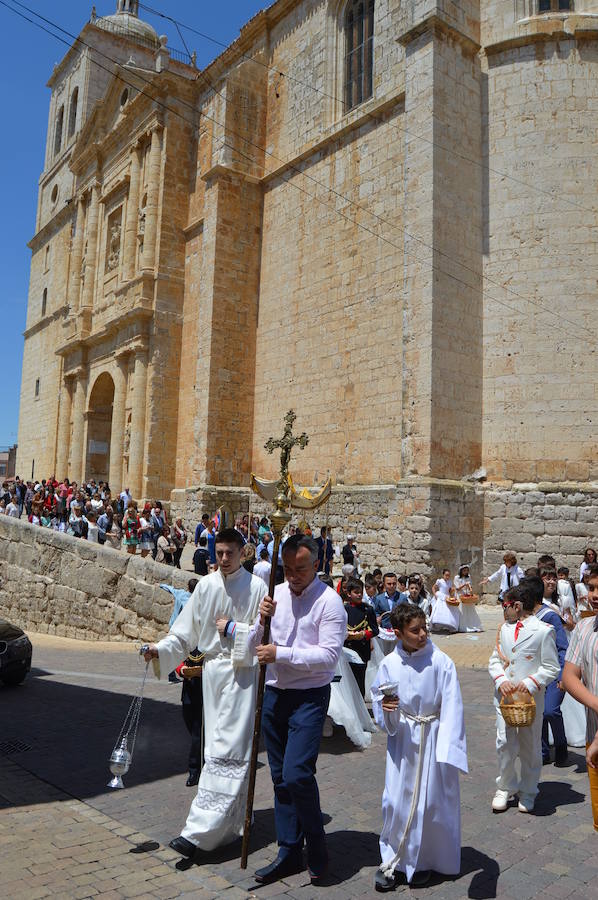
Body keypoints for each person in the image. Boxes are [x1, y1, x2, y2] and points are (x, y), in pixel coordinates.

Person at [143, 529, 268, 858]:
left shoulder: (258, 588)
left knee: (230, 752)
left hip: (243, 677)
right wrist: (160, 649)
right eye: (220, 552)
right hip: (213, 676)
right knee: (213, 748)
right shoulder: (207, 587)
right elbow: (184, 634)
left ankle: (199, 832)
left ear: (243, 552)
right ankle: (234, 822)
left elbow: (265, 635)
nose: (224, 559)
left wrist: (233, 629)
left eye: (230, 552)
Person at [248, 534, 347, 885]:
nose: (293, 576)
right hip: (275, 694)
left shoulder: (330, 603)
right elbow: (253, 647)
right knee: (279, 778)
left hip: (309, 696)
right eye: (288, 569)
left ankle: (316, 846)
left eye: (300, 569)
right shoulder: (274, 594)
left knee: (297, 774)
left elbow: (328, 657)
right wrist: (261, 622)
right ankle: (289, 850)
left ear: (317, 565)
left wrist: (282, 654)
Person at [371, 604, 467, 892]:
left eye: (424, 627)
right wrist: (386, 708)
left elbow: (453, 705)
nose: (423, 634)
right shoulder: (389, 663)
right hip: (402, 742)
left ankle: (425, 861)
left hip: (432, 738)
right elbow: (379, 698)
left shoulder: (441, 661)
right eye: (415, 631)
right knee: (395, 801)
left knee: (429, 804)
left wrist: (448, 751)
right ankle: (395, 859)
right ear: (399, 633)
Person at [488, 583, 560, 814]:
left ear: (517, 606)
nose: (504, 611)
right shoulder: (504, 630)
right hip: (506, 700)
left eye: (506, 606)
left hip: (530, 702)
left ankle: (529, 790)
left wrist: (530, 683)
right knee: (504, 742)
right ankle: (505, 786)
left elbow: (551, 667)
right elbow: (495, 659)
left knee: (529, 745)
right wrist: (501, 679)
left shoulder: (543, 631)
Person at [562, 566, 598, 831]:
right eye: (592, 588)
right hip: (593, 731)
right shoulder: (584, 628)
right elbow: (570, 676)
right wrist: (596, 704)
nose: (594, 595)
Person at [533, 571, 570, 765]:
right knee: (539, 712)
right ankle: (543, 750)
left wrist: (564, 675)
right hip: (537, 674)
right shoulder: (526, 618)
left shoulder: (550, 616)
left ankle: (561, 744)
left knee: (550, 710)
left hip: (555, 672)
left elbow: (563, 647)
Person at [343, 575, 379, 697]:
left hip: (362, 649)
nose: (359, 595)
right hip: (347, 648)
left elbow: (375, 630)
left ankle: (361, 706)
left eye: (360, 592)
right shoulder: (343, 609)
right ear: (348, 593)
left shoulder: (367, 610)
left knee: (359, 680)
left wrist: (363, 635)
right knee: (347, 681)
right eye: (356, 592)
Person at [175, 648, 205, 786]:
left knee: (198, 733)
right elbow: (178, 660)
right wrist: (182, 670)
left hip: (204, 691)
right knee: (191, 726)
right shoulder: (188, 641)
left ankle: (195, 769)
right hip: (189, 691)